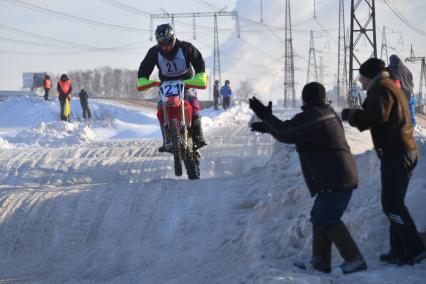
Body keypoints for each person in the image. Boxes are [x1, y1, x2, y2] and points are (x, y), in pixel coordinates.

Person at [249, 82, 367, 274]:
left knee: (328, 217)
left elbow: (286, 132)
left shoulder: (314, 116)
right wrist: (268, 125)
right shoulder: (322, 113)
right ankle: (320, 261)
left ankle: (355, 259)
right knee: (319, 216)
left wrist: (266, 116)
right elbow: (290, 130)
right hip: (337, 175)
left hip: (336, 177)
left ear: (306, 99)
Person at [342, 58, 426, 266]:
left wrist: (350, 115)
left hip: (398, 153)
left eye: (361, 77)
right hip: (401, 150)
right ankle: (398, 249)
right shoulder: (387, 86)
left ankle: (414, 248)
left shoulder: (381, 88)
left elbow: (376, 115)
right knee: (394, 203)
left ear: (368, 75)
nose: (360, 81)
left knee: (391, 205)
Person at [137, 23, 207, 152]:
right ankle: (166, 139)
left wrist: (200, 75)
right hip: (166, 85)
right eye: (161, 42)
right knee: (160, 106)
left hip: (186, 83)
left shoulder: (185, 47)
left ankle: (198, 134)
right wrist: (143, 79)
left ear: (173, 37)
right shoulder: (154, 52)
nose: (165, 46)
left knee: (193, 101)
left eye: (168, 40)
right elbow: (144, 68)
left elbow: (199, 61)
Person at [388, 54, 417, 127]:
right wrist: (410, 88)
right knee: (410, 109)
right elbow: (411, 82)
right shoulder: (406, 69)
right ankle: (413, 125)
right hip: (409, 93)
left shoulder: (390, 70)